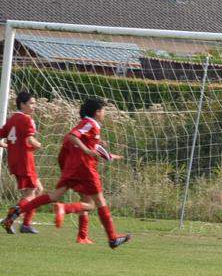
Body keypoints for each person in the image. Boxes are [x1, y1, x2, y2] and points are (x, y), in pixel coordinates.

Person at [6, 98, 131, 248]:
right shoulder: (90, 123)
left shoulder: (91, 125)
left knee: (54, 195)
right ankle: (111, 237)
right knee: (98, 203)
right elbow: (72, 136)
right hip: (85, 168)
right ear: (97, 112)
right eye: (104, 111)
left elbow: (91, 145)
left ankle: (17, 210)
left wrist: (108, 156)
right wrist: (86, 150)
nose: (105, 113)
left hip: (72, 167)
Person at [0, 91, 61, 234]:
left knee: (38, 190)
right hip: (25, 161)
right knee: (30, 194)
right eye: (31, 103)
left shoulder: (12, 118)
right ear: (22, 104)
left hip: (15, 161)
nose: (34, 106)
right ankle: (10, 217)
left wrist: (5, 145)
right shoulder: (27, 120)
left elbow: (2, 134)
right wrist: (39, 145)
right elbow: (29, 140)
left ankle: (26, 224)